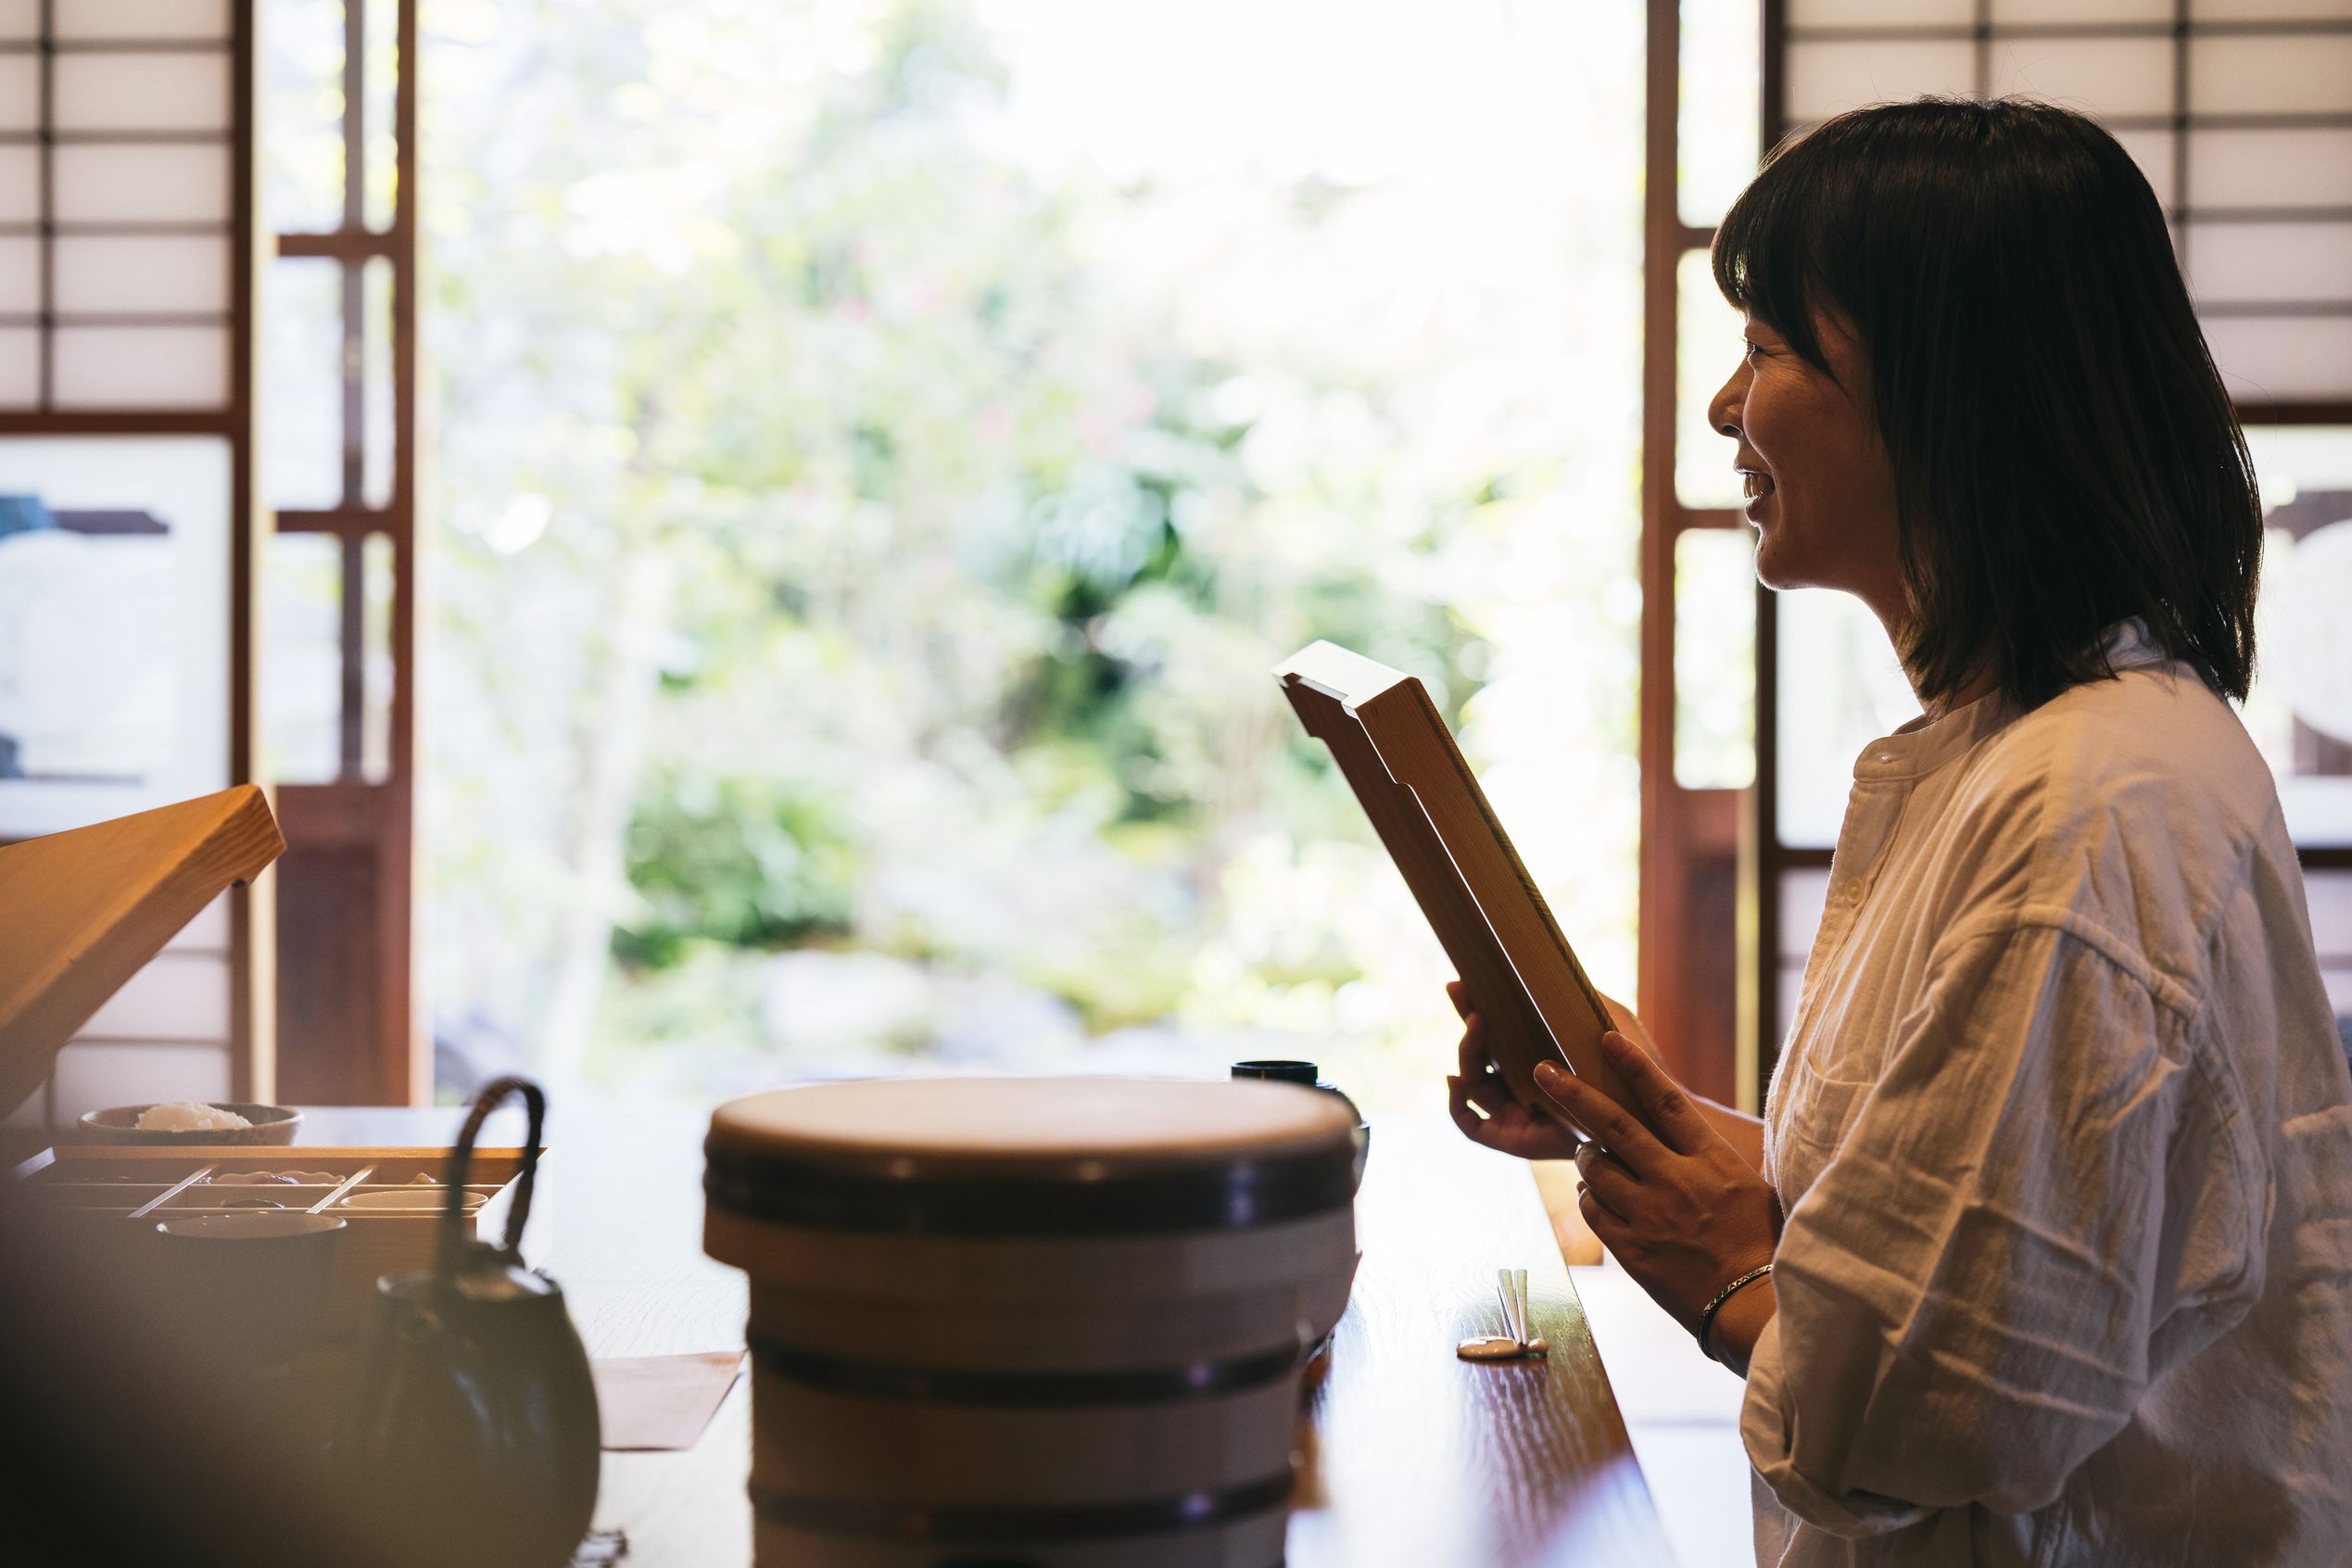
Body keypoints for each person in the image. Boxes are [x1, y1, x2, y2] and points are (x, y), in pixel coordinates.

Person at [1447, 96, 2352, 1565]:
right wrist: (1654, 1127)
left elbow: (1940, 1417)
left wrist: (1723, 1278)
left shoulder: (2087, 803)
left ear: (1948, 389)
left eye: (1766, 348)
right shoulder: (2030, 752)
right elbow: (1954, 1222)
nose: (1725, 410)